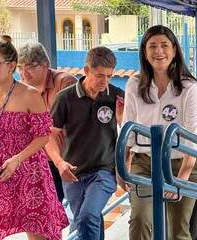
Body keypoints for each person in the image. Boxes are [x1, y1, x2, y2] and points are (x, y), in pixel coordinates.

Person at [0, 36, 68, 240]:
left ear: (11, 66)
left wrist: (17, 159)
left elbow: (43, 136)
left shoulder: (29, 95)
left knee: (37, 229)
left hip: (28, 166)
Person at [120, 25, 197, 240]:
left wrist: (181, 178)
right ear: (144, 53)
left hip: (182, 163)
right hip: (144, 162)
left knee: (177, 231)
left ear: (174, 50)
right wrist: (121, 164)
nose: (159, 51)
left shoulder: (188, 87)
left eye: (164, 45)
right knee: (140, 220)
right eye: (152, 46)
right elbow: (128, 125)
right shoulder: (135, 84)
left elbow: (193, 136)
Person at [47, 46, 124, 240]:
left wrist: (122, 117)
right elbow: (48, 136)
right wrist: (59, 163)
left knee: (87, 216)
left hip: (104, 170)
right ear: (86, 70)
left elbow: (131, 129)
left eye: (109, 76)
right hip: (72, 172)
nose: (105, 81)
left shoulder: (115, 95)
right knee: (89, 221)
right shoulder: (65, 98)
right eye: (100, 76)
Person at [17, 42, 77, 202]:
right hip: (45, 160)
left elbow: (72, 124)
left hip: (72, 157)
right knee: (45, 209)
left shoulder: (65, 83)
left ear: (45, 65)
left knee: (82, 212)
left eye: (30, 66)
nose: (23, 73)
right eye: (20, 67)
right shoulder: (23, 91)